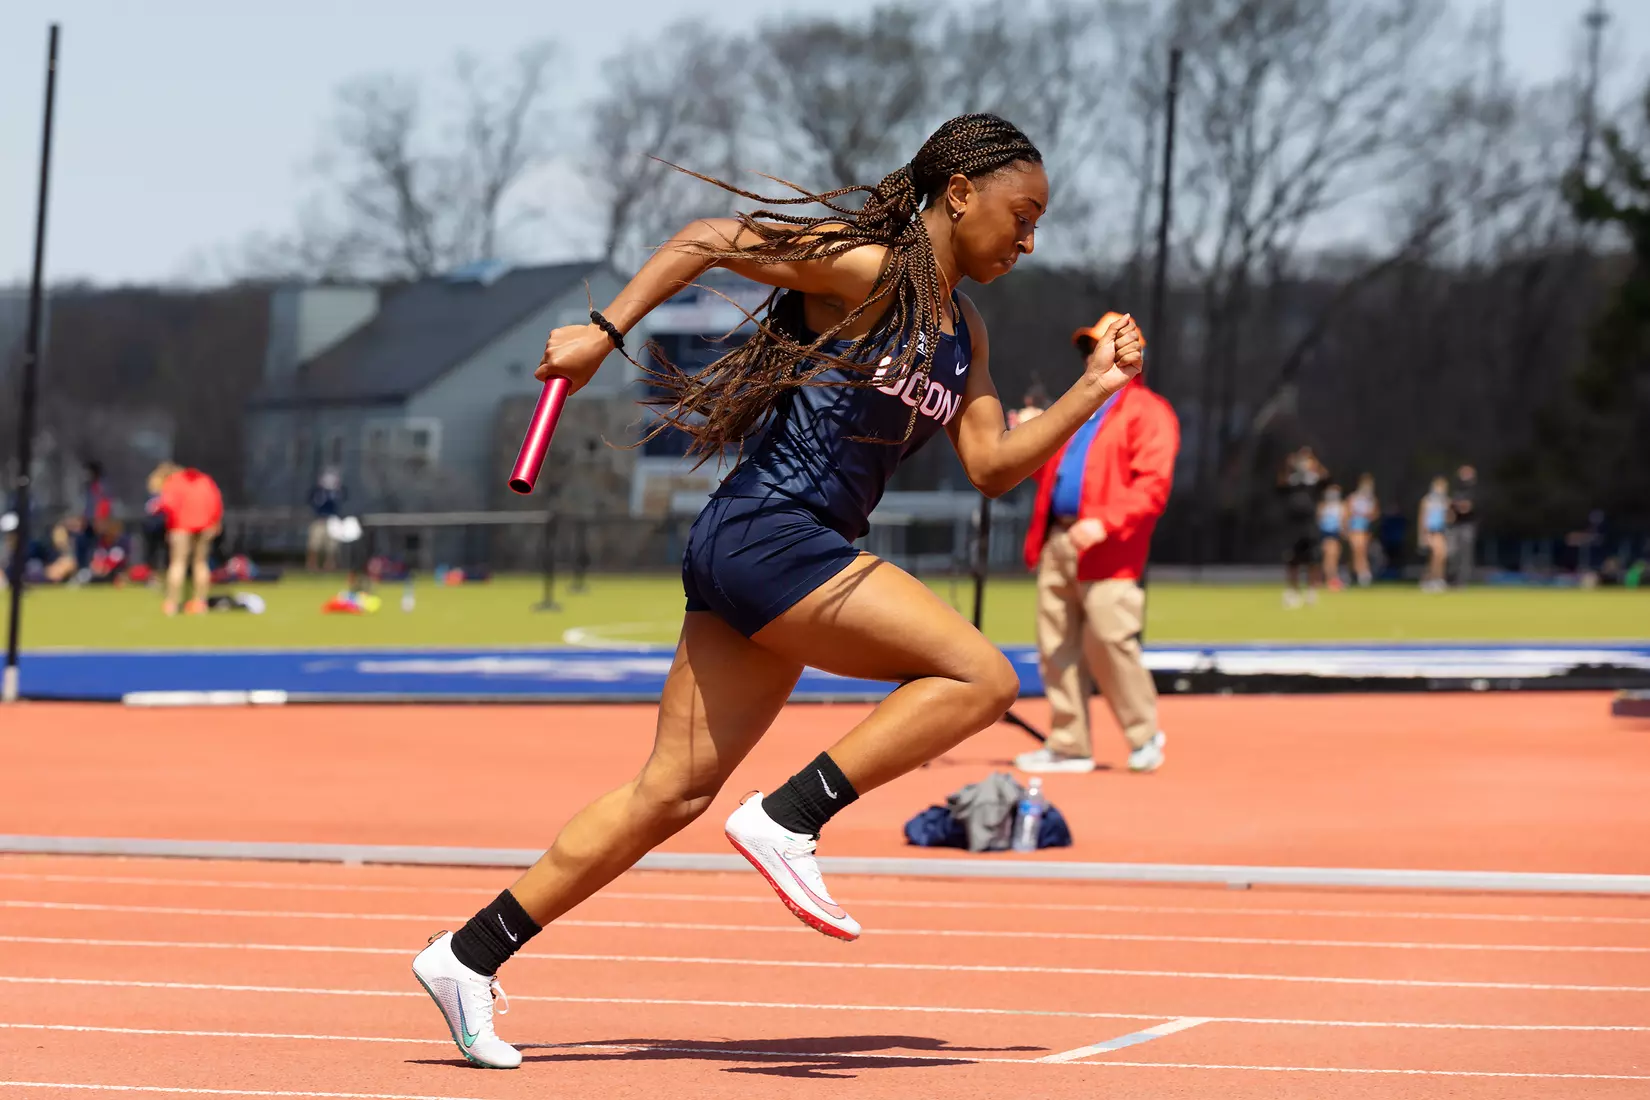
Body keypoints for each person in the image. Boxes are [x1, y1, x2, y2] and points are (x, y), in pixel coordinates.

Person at [409, 113, 1146, 1071]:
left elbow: (994, 465)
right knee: (980, 676)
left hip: (769, 549)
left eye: (1039, 223)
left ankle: (467, 957)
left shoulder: (966, 332)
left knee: (668, 794)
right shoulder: (870, 269)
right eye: (1021, 213)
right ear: (960, 193)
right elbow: (707, 240)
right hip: (770, 533)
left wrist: (1095, 389)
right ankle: (791, 815)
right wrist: (603, 332)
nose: (1029, 237)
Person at [1014, 313, 1179, 775]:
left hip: (1108, 548)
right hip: (1060, 538)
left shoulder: (1149, 412)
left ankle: (1144, 736)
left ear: (1132, 355)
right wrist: (1028, 435)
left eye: (1103, 346)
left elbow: (1153, 486)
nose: (1093, 356)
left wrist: (1104, 523)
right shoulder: (1080, 406)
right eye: (1090, 348)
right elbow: (1050, 477)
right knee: (1056, 646)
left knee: (1110, 640)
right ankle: (1069, 744)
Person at [150, 461, 223, 615]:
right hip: (205, 526)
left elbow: (168, 505)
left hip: (181, 526)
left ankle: (172, 603)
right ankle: (200, 602)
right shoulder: (205, 480)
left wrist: (168, 525)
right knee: (201, 563)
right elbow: (216, 502)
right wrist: (215, 522)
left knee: (178, 563)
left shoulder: (174, 483)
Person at [1278, 446, 1327, 608]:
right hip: (1293, 527)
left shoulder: (1313, 480)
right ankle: (1293, 591)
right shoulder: (1291, 480)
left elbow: (1326, 478)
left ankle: (1312, 591)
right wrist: (1289, 465)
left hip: (1310, 526)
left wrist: (1314, 462)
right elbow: (1280, 484)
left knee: (1313, 560)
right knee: (1293, 560)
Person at [306, 468, 346, 572]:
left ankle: (329, 565)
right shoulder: (318, 492)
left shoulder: (337, 492)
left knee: (331, 546)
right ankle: (312, 565)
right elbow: (313, 502)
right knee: (315, 544)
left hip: (332, 520)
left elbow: (340, 502)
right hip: (319, 520)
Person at [1418, 476, 1451, 592]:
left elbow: (1449, 517)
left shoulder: (1445, 501)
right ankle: (1430, 579)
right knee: (1437, 554)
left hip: (1441, 531)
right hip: (1431, 531)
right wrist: (1423, 535)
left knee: (1442, 555)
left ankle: (1438, 578)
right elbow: (1422, 518)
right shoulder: (1427, 500)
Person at [1346, 472, 1379, 586]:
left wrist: (1369, 515)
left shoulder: (1371, 500)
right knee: (1357, 550)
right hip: (1354, 528)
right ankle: (1360, 573)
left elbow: (1375, 514)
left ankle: (1362, 573)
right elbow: (1347, 514)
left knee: (1362, 551)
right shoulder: (1353, 498)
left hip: (1365, 529)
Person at [1448, 464, 1478, 587]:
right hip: (1454, 526)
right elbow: (1450, 507)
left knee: (1465, 555)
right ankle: (1451, 579)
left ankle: (1462, 581)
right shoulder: (1456, 490)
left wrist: (1460, 506)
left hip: (1467, 526)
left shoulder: (1475, 491)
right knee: (1452, 553)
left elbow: (1467, 508)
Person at [1318, 483, 1346, 591]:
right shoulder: (1323, 506)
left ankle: (1331, 578)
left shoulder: (1341, 506)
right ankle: (1331, 579)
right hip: (1326, 534)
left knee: (1334, 557)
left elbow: (1344, 521)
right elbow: (1319, 520)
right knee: (1329, 556)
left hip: (1336, 534)